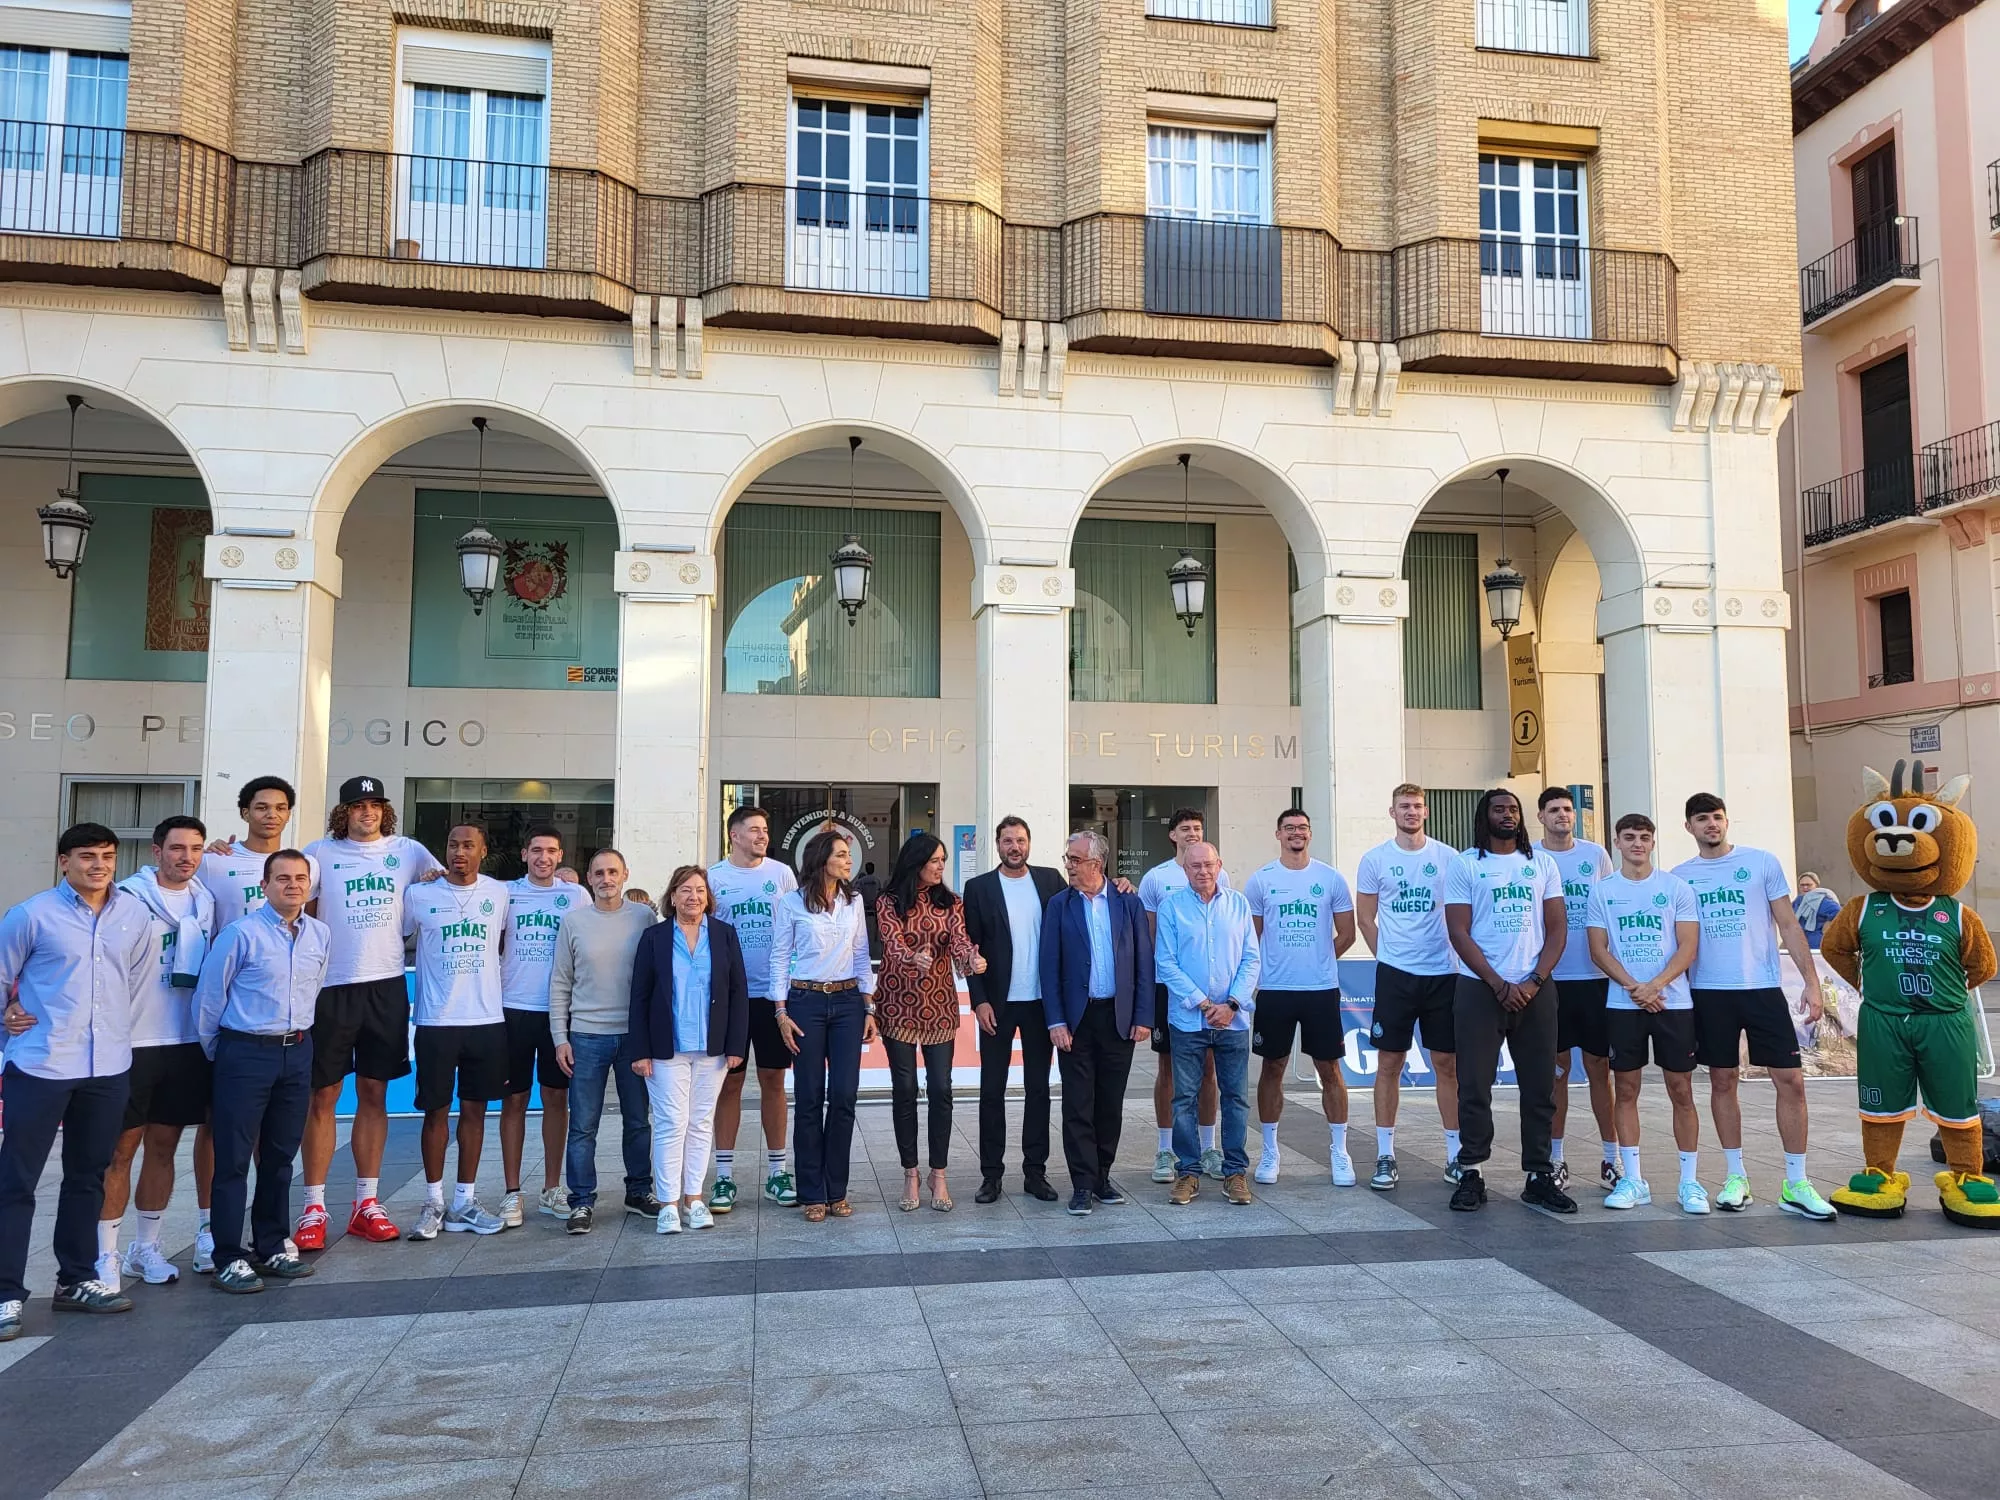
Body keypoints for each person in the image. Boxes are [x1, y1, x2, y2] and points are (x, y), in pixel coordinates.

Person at [0, 823, 154, 1336]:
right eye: (87, 856)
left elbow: (135, 984)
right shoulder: (30, 915)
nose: (99, 865)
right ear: (64, 861)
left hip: (106, 1068)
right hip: (41, 1065)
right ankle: (6, 1293)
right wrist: (7, 1021)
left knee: (88, 1177)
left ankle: (76, 1280)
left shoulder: (134, 914)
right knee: (16, 1180)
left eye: (107, 855)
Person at [1673, 793, 1836, 1219]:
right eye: (1702, 819)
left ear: (1727, 822)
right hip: (1709, 991)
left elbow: (1789, 924)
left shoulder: (1761, 862)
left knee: (1792, 1081)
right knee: (1723, 1080)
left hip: (1761, 988)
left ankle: (1796, 1182)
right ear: (1689, 827)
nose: (1712, 824)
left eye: (1717, 817)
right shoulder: (1680, 878)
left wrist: (1811, 983)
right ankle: (1735, 1177)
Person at [297, 775, 442, 1248]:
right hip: (332, 985)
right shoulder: (320, 852)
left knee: (374, 1093)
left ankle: (367, 1202)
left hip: (386, 982)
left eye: (375, 804)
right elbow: (297, 899)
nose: (368, 812)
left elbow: (450, 884)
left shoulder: (409, 851)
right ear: (344, 812)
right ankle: (314, 1207)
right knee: (323, 1095)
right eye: (358, 805)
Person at [196, 850, 329, 1293]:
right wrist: (223, 1052)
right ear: (265, 885)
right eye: (283, 878)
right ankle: (228, 1257)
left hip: (296, 1052)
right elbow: (209, 999)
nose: (293, 885)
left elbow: (314, 989)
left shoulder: (320, 934)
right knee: (233, 1160)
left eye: (300, 878)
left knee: (279, 1157)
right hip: (245, 1052)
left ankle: (271, 1245)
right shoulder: (240, 934)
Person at [97, 816, 216, 1290]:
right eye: (177, 848)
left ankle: (144, 1248)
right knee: (119, 1151)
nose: (187, 857)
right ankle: (104, 1255)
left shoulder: (205, 901)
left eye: (196, 849)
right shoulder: (126, 898)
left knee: (163, 1149)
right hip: (132, 1043)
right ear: (156, 851)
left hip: (184, 1041)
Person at [1442, 788, 1573, 1215]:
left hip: (1535, 988)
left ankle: (1539, 1175)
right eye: (1499, 809)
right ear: (1485, 816)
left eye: (1513, 809)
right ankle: (1471, 1171)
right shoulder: (1465, 864)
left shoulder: (1542, 864)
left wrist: (1534, 980)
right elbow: (1458, 931)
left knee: (1539, 1085)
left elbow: (1557, 929)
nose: (1507, 815)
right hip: (1480, 988)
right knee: (1474, 1085)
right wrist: (1497, 982)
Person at [1586, 814, 1704, 1214]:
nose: (1637, 843)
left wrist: (1655, 985)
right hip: (1624, 1004)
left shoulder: (1675, 888)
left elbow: (1688, 947)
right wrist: (1635, 988)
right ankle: (1634, 1179)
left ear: (1653, 843)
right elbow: (1598, 950)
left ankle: (1689, 1182)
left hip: (1673, 1003)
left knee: (1681, 1090)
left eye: (1644, 837)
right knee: (1626, 1089)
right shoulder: (1603, 890)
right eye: (1629, 837)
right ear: (1617, 842)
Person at [402, 824, 511, 1239]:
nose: (459, 852)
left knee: (475, 1110)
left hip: (485, 1019)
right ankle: (433, 1201)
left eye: (468, 845)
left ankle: (464, 1202)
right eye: (452, 845)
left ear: (483, 851)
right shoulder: (419, 895)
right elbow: (397, 937)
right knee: (435, 1111)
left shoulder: (498, 893)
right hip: (436, 1020)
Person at [1355, 784, 1462, 1189]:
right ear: (1392, 812)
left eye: (1417, 806)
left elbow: (1462, 913)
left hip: (1443, 974)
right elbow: (1365, 918)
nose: (1411, 812)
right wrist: (1388, 956)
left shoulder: (1448, 858)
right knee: (1389, 1063)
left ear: (1426, 812)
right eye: (1404, 806)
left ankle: (1456, 1155)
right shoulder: (1375, 859)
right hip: (1396, 976)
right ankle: (1385, 1155)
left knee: (1447, 1064)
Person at [631, 867, 748, 1233]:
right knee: (671, 1123)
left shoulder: (725, 935)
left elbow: (738, 993)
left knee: (700, 1122)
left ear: (708, 897)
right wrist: (640, 1050)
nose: (693, 897)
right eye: (685, 890)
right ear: (673, 896)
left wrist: (736, 1045)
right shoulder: (654, 937)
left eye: (699, 890)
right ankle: (668, 1203)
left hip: (713, 1048)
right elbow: (639, 995)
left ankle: (693, 1199)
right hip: (667, 1048)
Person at [1041, 831, 1152, 1215]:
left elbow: (1144, 963)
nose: (1068, 865)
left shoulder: (1128, 902)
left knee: (1109, 1104)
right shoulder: (1059, 905)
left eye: (1075, 859)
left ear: (1097, 863)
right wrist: (1056, 1020)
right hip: (1077, 1019)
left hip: (1117, 1018)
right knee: (1078, 1104)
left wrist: (1143, 1016)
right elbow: (1049, 967)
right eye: (1067, 858)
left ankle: (1103, 1176)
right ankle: (1082, 1184)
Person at [1243, 809, 1356, 1185]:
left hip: (1320, 989)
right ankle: (1270, 1151)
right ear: (1278, 834)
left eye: (1303, 828)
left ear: (1310, 833)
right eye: (1289, 828)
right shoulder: (1262, 880)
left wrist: (1320, 960)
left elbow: (1347, 933)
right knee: (1272, 1067)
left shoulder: (1330, 878)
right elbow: (1252, 939)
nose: (1296, 833)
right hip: (1275, 989)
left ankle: (1339, 1151)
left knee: (1330, 1069)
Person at [876, 832, 987, 1212]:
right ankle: (911, 1172)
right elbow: (891, 942)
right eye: (935, 860)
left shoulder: (951, 902)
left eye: (943, 861)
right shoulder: (889, 901)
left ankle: (938, 1173)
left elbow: (958, 940)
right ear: (916, 862)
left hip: (938, 1006)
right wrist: (912, 957)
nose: (941, 867)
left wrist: (971, 958)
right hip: (897, 1005)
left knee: (941, 1088)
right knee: (904, 1088)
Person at [549, 848, 658, 1234]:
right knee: (583, 1125)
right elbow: (560, 982)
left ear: (625, 874)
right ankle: (581, 1200)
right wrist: (560, 1037)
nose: (606, 879)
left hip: (633, 1036)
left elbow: (657, 975)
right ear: (589, 878)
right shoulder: (574, 922)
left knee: (638, 1121)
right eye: (599, 873)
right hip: (586, 1036)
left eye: (613, 871)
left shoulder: (644, 917)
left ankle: (639, 1191)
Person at [771, 831, 876, 1222]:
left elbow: (862, 954)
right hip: (806, 1002)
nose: (849, 861)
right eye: (842, 855)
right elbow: (780, 957)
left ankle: (837, 1190)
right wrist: (781, 1012)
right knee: (809, 1098)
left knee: (844, 1096)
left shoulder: (854, 900)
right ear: (822, 860)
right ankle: (812, 1192)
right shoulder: (791, 902)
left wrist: (869, 1006)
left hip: (848, 1003)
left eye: (848, 855)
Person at [963, 816, 1065, 1204]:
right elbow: (969, 950)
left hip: (1041, 1003)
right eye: (1007, 841)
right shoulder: (979, 888)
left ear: (1029, 843)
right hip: (997, 1005)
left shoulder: (1050, 880)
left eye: (1020, 840)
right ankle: (991, 1176)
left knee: (1039, 1090)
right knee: (992, 1090)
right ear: (997, 845)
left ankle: (1035, 1173)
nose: (1014, 847)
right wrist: (979, 1000)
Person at [706, 805, 800, 1212]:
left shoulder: (782, 874)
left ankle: (778, 1172)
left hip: (773, 995)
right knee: (729, 1084)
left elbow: (796, 926)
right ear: (734, 835)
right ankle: (724, 1177)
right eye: (755, 830)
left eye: (765, 829)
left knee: (774, 1081)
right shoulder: (714, 878)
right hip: (730, 998)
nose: (763, 836)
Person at [1155, 843, 1260, 1207]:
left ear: (1220, 865)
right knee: (1184, 1098)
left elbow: (1251, 959)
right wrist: (1203, 1003)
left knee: (1236, 1098)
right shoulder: (1171, 908)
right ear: (1185, 869)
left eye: (1208, 864)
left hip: (1233, 1020)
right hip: (1188, 1020)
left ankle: (1235, 1173)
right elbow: (1166, 963)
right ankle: (1188, 1172)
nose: (1202, 871)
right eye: (1195, 865)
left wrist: (1231, 1005)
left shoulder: (1239, 904)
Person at [1534, 787, 1620, 1194]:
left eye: (1567, 809)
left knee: (1600, 1069)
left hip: (1594, 979)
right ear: (1541, 817)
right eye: (1554, 810)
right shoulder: (1531, 857)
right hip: (1550, 979)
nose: (1562, 815)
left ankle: (1611, 1158)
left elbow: (1610, 907)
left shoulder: (1596, 855)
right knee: (1557, 1072)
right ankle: (1556, 1159)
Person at [1138, 809, 1231, 1182]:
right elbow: (1149, 936)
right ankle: (1165, 1149)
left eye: (1198, 828)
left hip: (1211, 989)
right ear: (1173, 835)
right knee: (1168, 1069)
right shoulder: (1156, 878)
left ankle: (1208, 1147)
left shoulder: (1219, 873)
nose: (1193, 833)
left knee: (1208, 1067)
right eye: (1185, 829)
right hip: (1168, 986)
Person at [498, 826, 579, 1227]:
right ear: (524, 854)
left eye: (551, 851)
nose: (543, 858)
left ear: (560, 855)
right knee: (513, 1099)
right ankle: (512, 1192)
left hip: (558, 1012)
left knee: (556, 1099)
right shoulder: (504, 893)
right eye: (536, 850)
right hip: (513, 1008)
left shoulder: (575, 895)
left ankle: (551, 1187)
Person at [199, 776, 322, 931]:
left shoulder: (307, 864)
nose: (272, 815)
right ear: (245, 813)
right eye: (262, 808)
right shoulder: (213, 861)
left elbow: (309, 920)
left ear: (288, 815)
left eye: (280, 808)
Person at [1794, 872, 1841, 950]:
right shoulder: (1798, 901)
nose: (1805, 887)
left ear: (1816, 885)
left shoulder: (1823, 901)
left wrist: (1828, 926)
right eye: (1802, 885)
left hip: (1817, 945)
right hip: (1800, 945)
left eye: (1808, 885)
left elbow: (1840, 912)